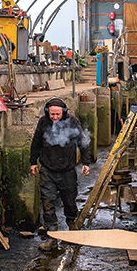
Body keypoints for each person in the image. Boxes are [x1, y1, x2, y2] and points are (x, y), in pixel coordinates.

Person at [30, 97, 91, 251]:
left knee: (70, 202)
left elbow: (83, 142)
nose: (55, 117)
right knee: (48, 204)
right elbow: (36, 142)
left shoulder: (72, 122)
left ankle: (73, 232)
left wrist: (85, 163)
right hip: (47, 170)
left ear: (63, 112)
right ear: (47, 113)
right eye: (52, 114)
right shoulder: (43, 123)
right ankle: (52, 237)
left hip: (67, 171)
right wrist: (33, 162)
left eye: (58, 114)